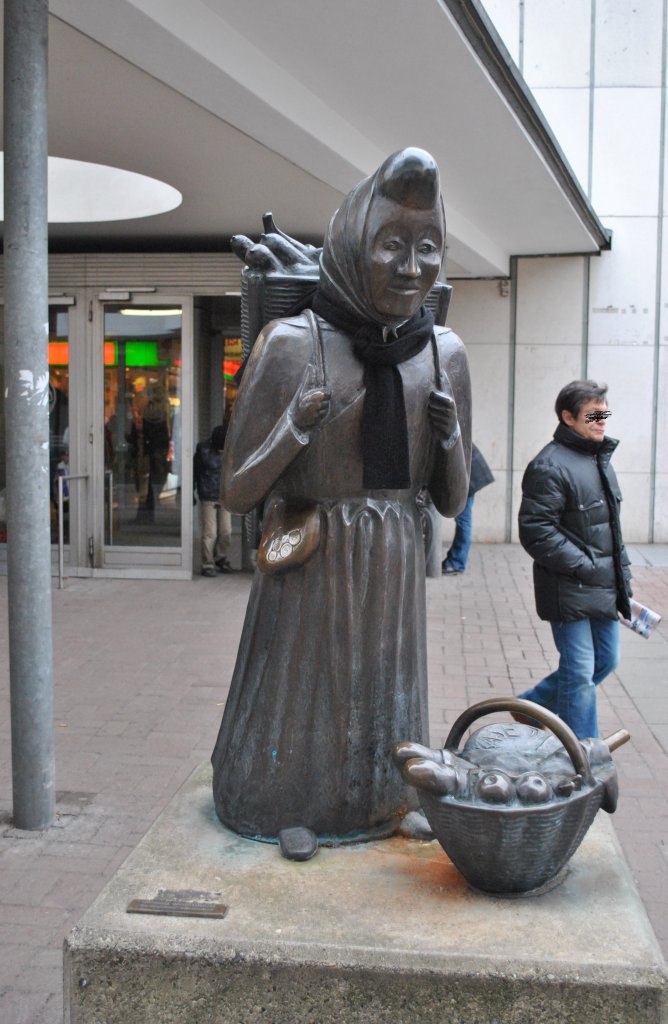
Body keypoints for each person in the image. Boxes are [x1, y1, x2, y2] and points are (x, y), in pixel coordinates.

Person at [211, 148, 471, 844]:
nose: (412, 267)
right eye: (392, 244)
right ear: (356, 244)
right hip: (314, 552)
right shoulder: (292, 345)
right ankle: (283, 804)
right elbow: (236, 492)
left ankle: (385, 800)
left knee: (385, 689)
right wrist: (293, 428)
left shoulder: (442, 352)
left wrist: (448, 443)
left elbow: (450, 501)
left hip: (391, 555)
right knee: (304, 688)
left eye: (428, 247)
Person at [517, 380, 632, 739]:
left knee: (606, 660)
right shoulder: (549, 465)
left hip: (601, 584)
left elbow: (610, 529)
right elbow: (536, 530)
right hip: (567, 587)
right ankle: (582, 751)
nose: (601, 421)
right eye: (592, 415)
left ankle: (533, 706)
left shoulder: (599, 460)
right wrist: (586, 566)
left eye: (604, 414)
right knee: (580, 671)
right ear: (568, 417)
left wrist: (621, 575)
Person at [441, 443, 494, 574]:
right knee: (464, 520)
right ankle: (455, 560)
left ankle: (457, 562)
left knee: (463, 521)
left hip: (467, 479)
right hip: (469, 477)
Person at [193, 424, 233, 577]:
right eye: (220, 449)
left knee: (226, 532)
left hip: (224, 497)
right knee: (210, 533)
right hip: (208, 496)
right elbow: (195, 472)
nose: (222, 452)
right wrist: (192, 492)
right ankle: (207, 563)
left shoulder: (231, 449)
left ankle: (220, 557)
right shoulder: (202, 450)